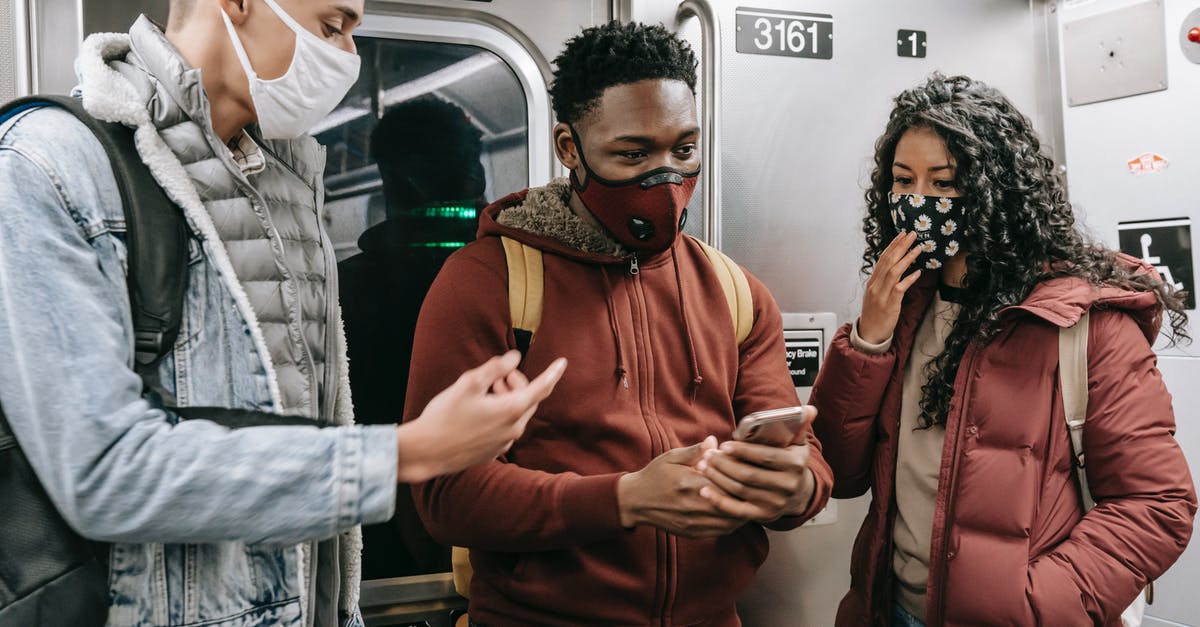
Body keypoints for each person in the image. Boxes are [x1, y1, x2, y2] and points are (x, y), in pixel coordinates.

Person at [0, 1, 565, 625]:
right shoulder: (49, 165)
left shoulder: (289, 183)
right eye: (332, 26)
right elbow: (104, 471)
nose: (348, 56)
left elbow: (310, 425)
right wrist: (406, 453)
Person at [403, 22, 833, 627]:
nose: (664, 178)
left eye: (683, 150)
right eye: (632, 155)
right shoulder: (489, 282)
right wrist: (625, 499)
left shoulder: (735, 292)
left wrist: (795, 488)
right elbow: (445, 495)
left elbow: (808, 462)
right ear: (569, 147)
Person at [809, 74, 1196, 627]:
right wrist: (868, 340)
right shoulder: (904, 307)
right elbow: (839, 474)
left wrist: (1032, 607)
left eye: (945, 184)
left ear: (997, 190)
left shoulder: (1084, 321)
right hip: (889, 609)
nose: (921, 202)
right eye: (904, 181)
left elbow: (1157, 506)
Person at [339, 96, 486, 578]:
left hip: (375, 528)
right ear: (476, 175)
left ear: (392, 180)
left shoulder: (344, 288)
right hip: (496, 525)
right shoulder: (517, 273)